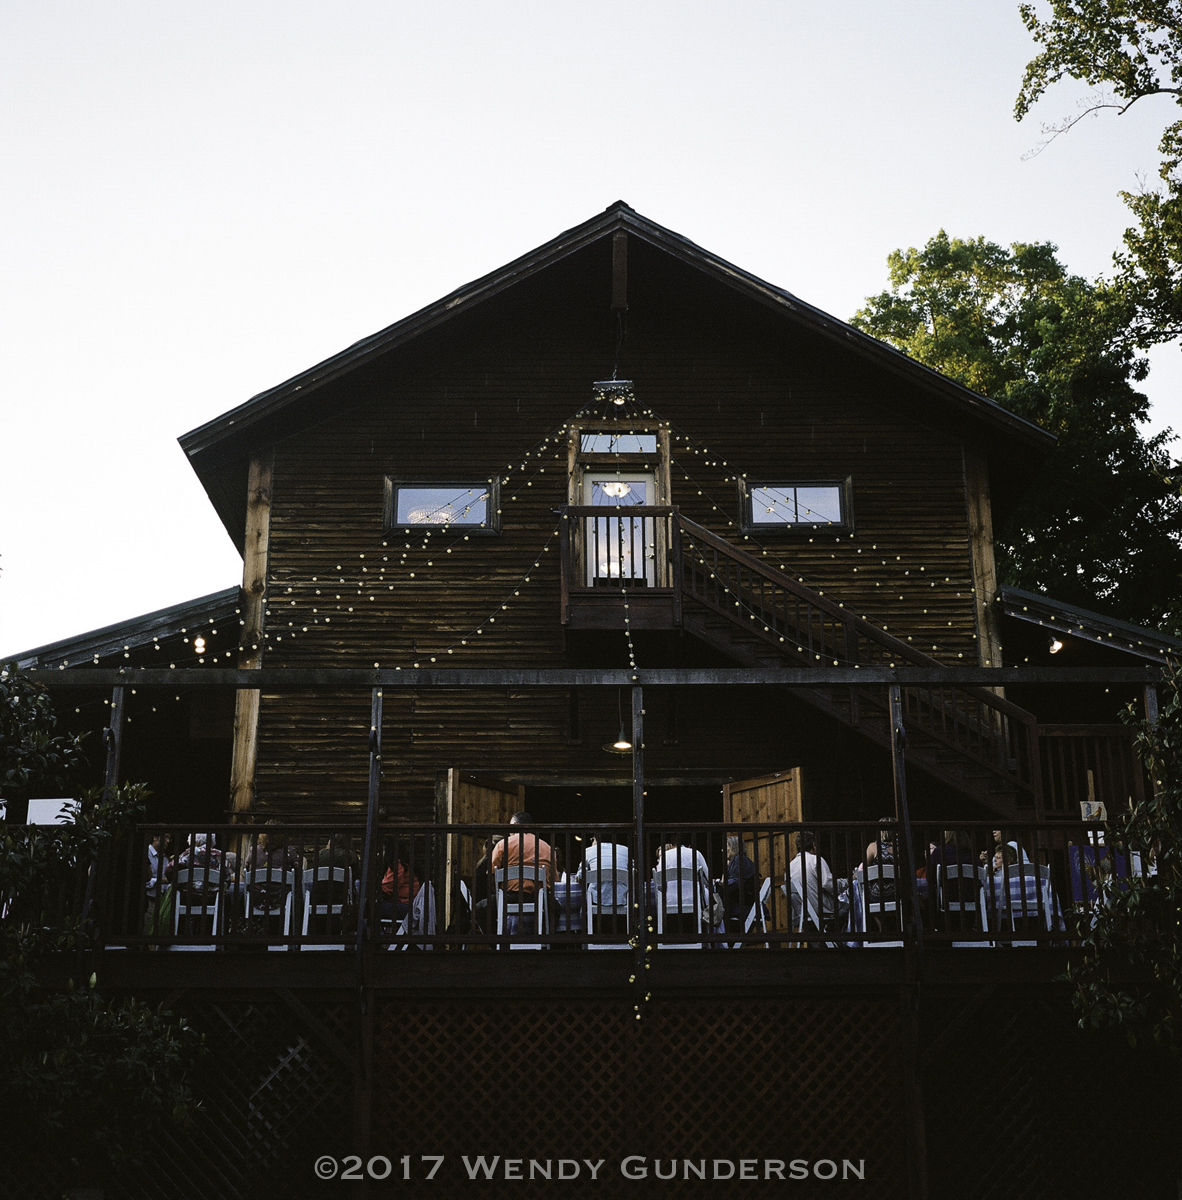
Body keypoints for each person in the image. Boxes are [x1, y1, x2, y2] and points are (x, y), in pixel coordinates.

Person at [490, 813, 555, 934]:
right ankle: (545, 940)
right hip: (538, 897)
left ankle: (497, 941)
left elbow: (492, 874)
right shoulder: (547, 847)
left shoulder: (503, 844)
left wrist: (498, 892)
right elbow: (553, 880)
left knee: (480, 909)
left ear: (515, 825)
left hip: (510, 897)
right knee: (556, 908)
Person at [652, 837, 713, 938]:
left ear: (672, 845)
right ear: (688, 845)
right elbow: (708, 878)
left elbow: (659, 883)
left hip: (669, 900)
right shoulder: (696, 853)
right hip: (695, 899)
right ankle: (714, 939)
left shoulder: (665, 856)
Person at [788, 830, 836, 935]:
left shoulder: (790, 867)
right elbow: (829, 884)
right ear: (814, 845)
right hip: (821, 909)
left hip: (802, 912)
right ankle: (845, 941)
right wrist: (846, 883)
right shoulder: (815, 860)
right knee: (849, 906)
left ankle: (824, 939)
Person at [580, 837, 630, 936]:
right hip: (622, 898)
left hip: (596, 900)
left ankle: (588, 934)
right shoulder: (625, 850)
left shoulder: (589, 851)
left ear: (596, 839)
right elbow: (633, 872)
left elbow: (580, 876)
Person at [721, 834, 762, 933]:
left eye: (726, 847)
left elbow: (735, 883)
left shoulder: (740, 860)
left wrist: (720, 882)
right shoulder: (740, 861)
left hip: (743, 908)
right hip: (744, 906)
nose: (722, 850)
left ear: (733, 847)